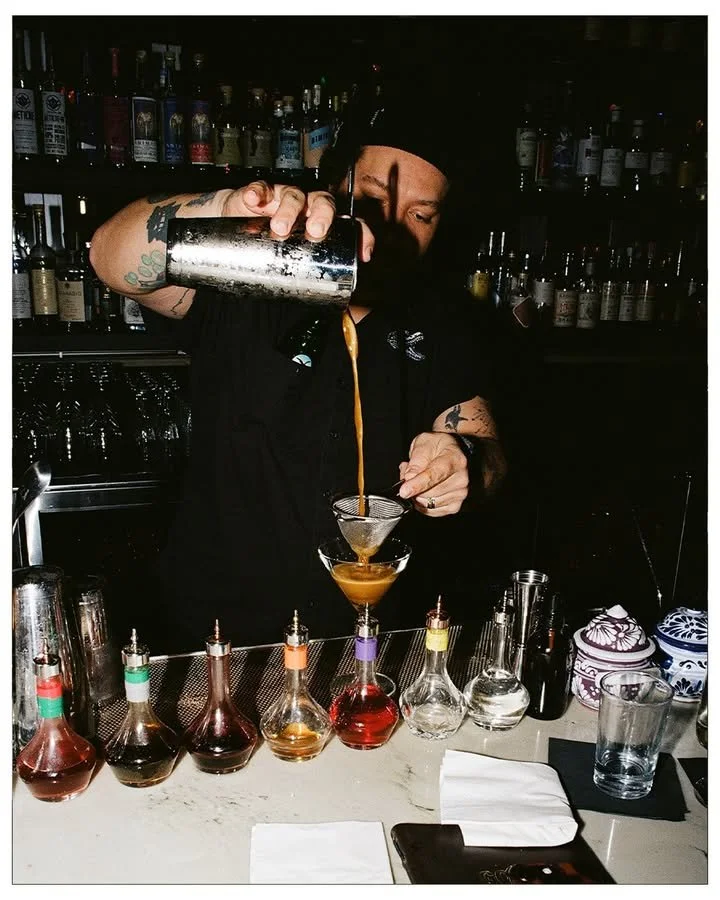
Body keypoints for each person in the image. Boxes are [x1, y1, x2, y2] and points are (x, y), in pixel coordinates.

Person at [90, 94, 508, 652]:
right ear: (333, 187)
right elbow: (110, 259)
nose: (391, 228)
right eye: (373, 199)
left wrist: (466, 462)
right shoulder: (248, 274)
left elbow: (488, 449)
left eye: (421, 215)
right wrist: (226, 210)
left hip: (367, 639)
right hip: (219, 639)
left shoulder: (442, 321)